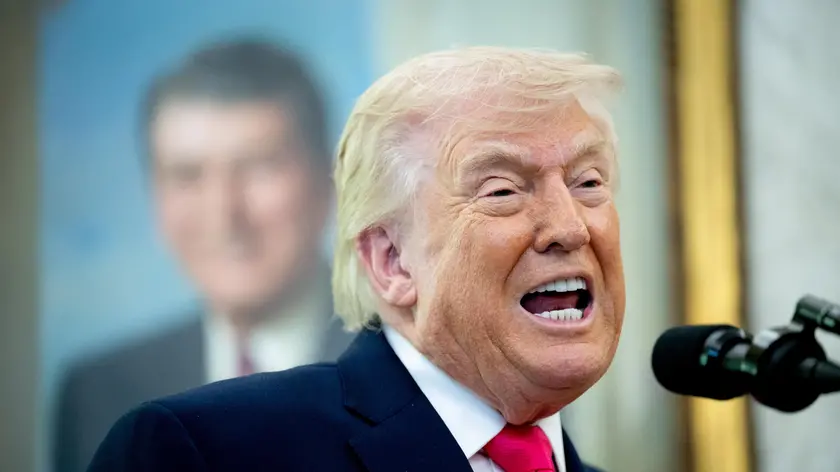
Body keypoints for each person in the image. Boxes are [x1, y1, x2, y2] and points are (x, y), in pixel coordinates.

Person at [86, 46, 625, 472]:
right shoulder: (202, 451)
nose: (570, 226)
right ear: (392, 261)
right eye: (502, 190)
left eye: (588, 182)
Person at [54, 38, 352, 472]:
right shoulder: (97, 393)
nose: (223, 214)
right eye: (187, 175)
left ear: (329, 181)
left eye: (259, 166)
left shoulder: (411, 369)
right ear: (154, 197)